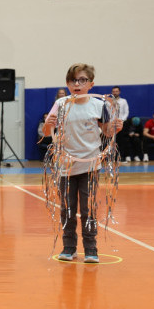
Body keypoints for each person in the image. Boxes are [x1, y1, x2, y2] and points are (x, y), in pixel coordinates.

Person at [43, 63, 122, 263]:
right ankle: (69, 247)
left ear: (91, 84)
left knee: (88, 209)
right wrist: (47, 126)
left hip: (90, 165)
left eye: (82, 80)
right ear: (67, 83)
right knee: (67, 209)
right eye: (72, 80)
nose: (77, 84)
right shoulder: (61, 104)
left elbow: (107, 132)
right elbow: (47, 133)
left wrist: (115, 128)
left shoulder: (98, 105)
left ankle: (91, 249)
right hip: (66, 166)